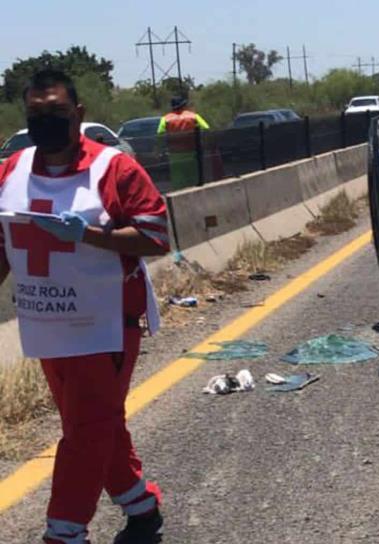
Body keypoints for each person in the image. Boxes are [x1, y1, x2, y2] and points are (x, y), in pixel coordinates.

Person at [0, 69, 168, 543]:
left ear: (78, 114)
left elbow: (156, 237)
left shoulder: (114, 168)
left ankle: (64, 533)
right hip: (45, 326)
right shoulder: (11, 171)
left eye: (54, 112)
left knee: (86, 432)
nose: (44, 121)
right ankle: (140, 502)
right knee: (93, 423)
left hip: (105, 326)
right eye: (35, 113)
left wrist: (89, 235)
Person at [157, 95, 209, 190]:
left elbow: (159, 135)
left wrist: (158, 150)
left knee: (178, 181)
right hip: (192, 152)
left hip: (175, 154)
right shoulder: (193, 116)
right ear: (184, 105)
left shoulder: (165, 119)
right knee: (193, 178)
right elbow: (206, 128)